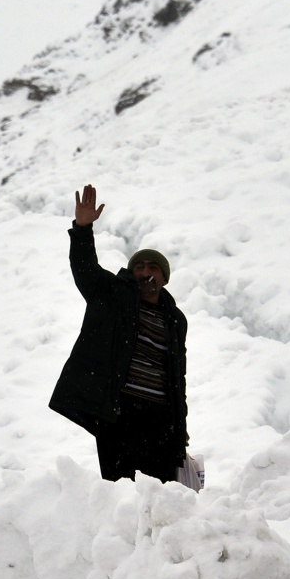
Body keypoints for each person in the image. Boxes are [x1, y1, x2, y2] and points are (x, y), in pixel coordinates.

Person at [49, 183, 189, 483]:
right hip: (119, 410)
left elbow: (178, 376)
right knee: (121, 490)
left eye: (153, 267)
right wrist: (83, 229)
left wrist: (180, 426)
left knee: (161, 496)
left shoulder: (176, 319)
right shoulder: (111, 294)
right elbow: (84, 268)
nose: (145, 271)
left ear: (164, 277)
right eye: (139, 266)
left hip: (161, 419)